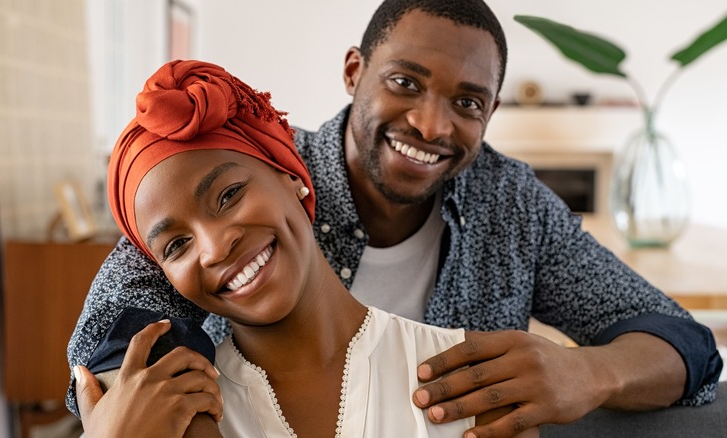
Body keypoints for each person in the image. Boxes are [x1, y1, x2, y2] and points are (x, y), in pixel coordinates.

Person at [67, 0, 723, 435]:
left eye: (467, 102)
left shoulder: (513, 207)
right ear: (355, 72)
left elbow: (685, 345)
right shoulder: (255, 180)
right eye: (405, 83)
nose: (432, 125)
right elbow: (112, 336)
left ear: (491, 113)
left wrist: (592, 371)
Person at [72, 59, 539, 437]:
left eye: (229, 195)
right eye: (176, 245)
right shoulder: (167, 416)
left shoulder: (472, 386)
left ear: (292, 176)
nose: (214, 248)